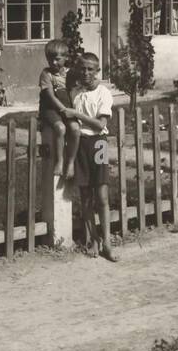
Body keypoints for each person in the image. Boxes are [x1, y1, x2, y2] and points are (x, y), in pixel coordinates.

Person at [65, 53, 118, 261]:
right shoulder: (75, 92)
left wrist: (77, 115)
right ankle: (93, 239)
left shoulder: (103, 93)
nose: (86, 73)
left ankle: (108, 242)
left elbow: (100, 125)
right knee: (86, 197)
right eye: (83, 69)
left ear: (97, 71)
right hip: (81, 146)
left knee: (102, 196)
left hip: (99, 144)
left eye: (90, 69)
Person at [38, 39, 80, 180]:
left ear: (66, 58)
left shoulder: (71, 73)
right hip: (51, 109)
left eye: (57, 59)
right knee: (60, 129)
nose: (53, 63)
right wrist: (63, 110)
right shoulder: (47, 74)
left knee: (75, 129)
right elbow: (50, 96)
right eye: (50, 59)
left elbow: (75, 92)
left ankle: (71, 162)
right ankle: (60, 161)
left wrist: (73, 110)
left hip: (67, 108)